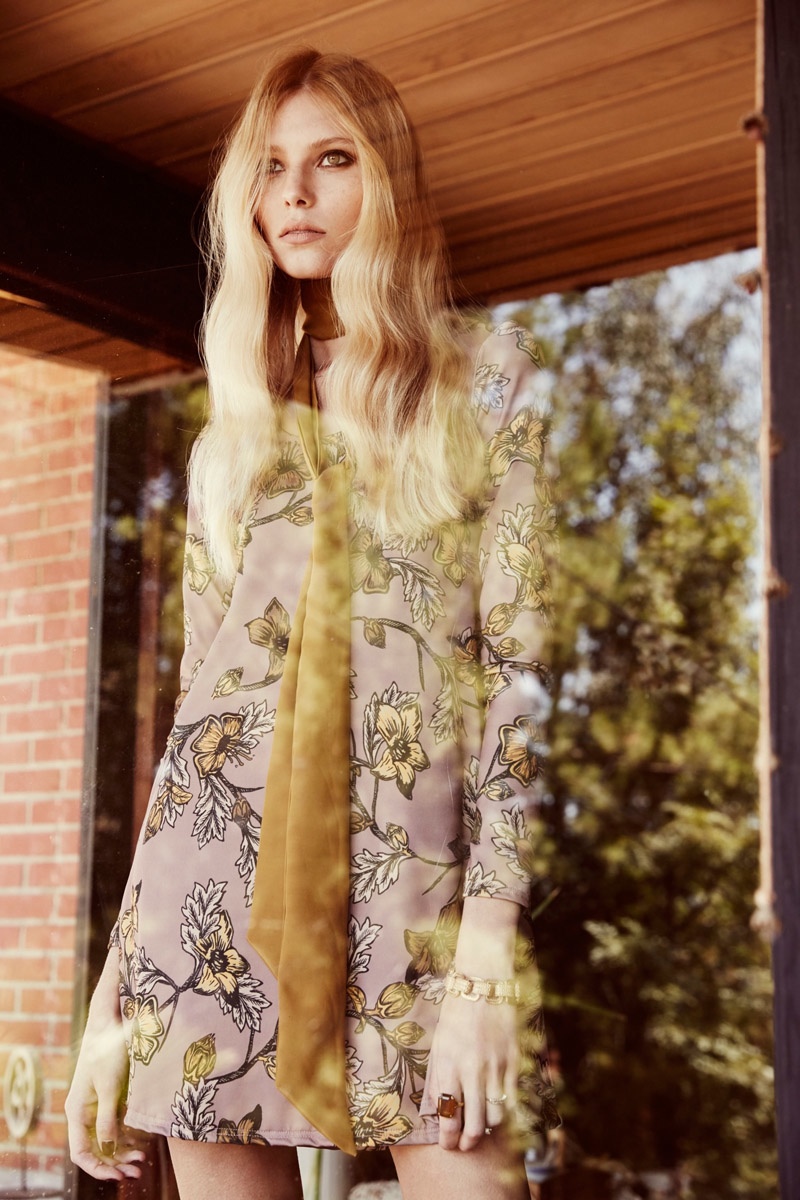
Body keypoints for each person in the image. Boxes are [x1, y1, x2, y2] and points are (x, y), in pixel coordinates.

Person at [65, 47, 559, 1200]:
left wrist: (489, 954)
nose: (293, 193)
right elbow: (193, 738)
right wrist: (112, 1004)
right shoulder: (228, 441)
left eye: (331, 160)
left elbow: (519, 678)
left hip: (417, 906)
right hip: (208, 926)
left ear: (383, 182)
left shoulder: (487, 383)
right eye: (271, 166)